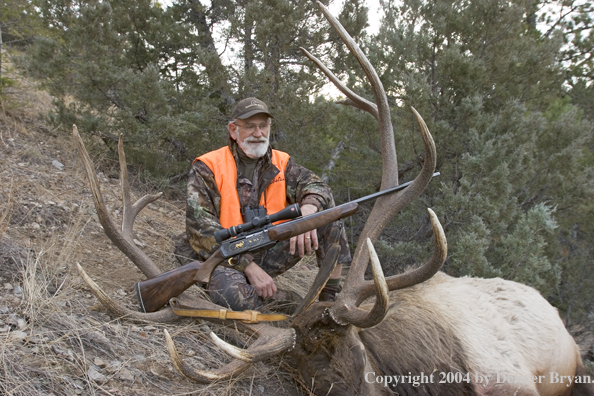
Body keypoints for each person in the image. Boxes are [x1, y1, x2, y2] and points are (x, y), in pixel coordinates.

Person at [179, 97, 351, 312]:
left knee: (328, 213)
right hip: (222, 256)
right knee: (236, 298)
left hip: (265, 246)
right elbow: (201, 230)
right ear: (233, 130)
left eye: (263, 126)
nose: (258, 133)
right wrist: (248, 267)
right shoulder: (208, 166)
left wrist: (306, 217)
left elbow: (318, 187)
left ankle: (330, 301)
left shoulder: (282, 163)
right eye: (249, 127)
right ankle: (288, 302)